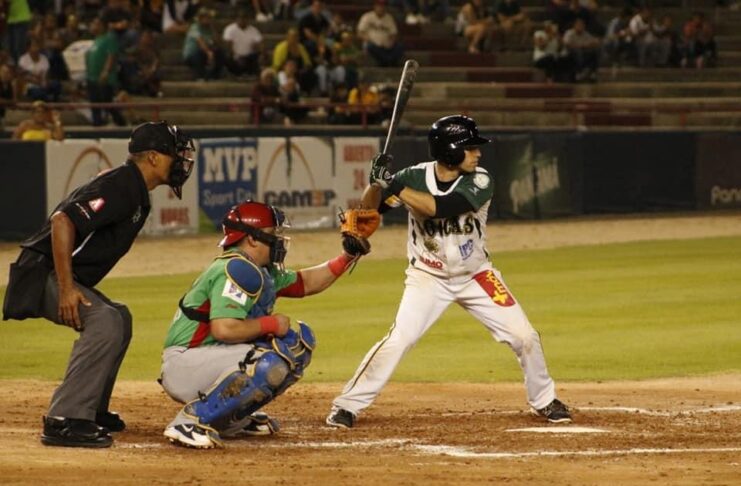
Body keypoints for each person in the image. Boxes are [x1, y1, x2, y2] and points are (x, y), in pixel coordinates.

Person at [325, 115, 572, 429]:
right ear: (451, 150)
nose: (477, 153)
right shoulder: (413, 176)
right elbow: (369, 209)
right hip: (427, 277)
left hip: (476, 276)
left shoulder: (480, 180)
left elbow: (440, 207)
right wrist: (375, 184)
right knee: (400, 339)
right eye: (470, 148)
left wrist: (393, 184)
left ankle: (544, 399)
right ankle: (347, 406)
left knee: (524, 336)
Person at [1, 121, 196, 448]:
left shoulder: (132, 186)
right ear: (152, 157)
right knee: (104, 321)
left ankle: (90, 409)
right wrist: (66, 289)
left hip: (52, 271)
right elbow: (63, 221)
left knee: (119, 316)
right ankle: (64, 419)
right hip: (40, 273)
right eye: (175, 154)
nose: (181, 161)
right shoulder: (121, 185)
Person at [159, 200, 371, 448]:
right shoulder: (236, 268)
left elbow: (306, 282)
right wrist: (270, 324)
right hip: (185, 364)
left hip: (208, 359)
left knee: (295, 348)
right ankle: (190, 420)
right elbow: (224, 328)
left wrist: (347, 256)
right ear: (252, 239)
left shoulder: (259, 269)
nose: (278, 241)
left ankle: (229, 419)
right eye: (272, 234)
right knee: (269, 361)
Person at [357, 0, 404, 68]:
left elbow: (394, 33)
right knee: (370, 46)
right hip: (372, 44)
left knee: (399, 46)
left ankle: (386, 61)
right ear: (375, 6)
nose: (381, 8)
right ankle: (388, 62)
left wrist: (391, 42)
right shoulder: (367, 16)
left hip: (386, 45)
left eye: (382, 6)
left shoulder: (389, 17)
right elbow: (360, 33)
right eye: (379, 6)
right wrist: (369, 40)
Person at [183, 8, 225, 81]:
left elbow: (218, 42)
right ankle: (200, 76)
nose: (208, 19)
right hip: (192, 55)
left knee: (219, 52)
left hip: (205, 53)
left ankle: (215, 75)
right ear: (200, 19)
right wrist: (208, 53)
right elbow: (200, 41)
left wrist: (213, 29)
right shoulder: (194, 27)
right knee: (199, 54)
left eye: (209, 18)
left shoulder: (209, 28)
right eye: (206, 18)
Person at [222, 10, 264, 77]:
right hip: (235, 57)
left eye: (244, 18)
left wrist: (261, 52)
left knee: (258, 56)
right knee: (226, 56)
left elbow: (260, 42)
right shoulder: (230, 29)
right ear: (237, 19)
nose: (242, 20)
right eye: (240, 18)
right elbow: (227, 44)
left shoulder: (253, 30)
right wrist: (236, 57)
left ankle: (251, 73)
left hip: (248, 57)